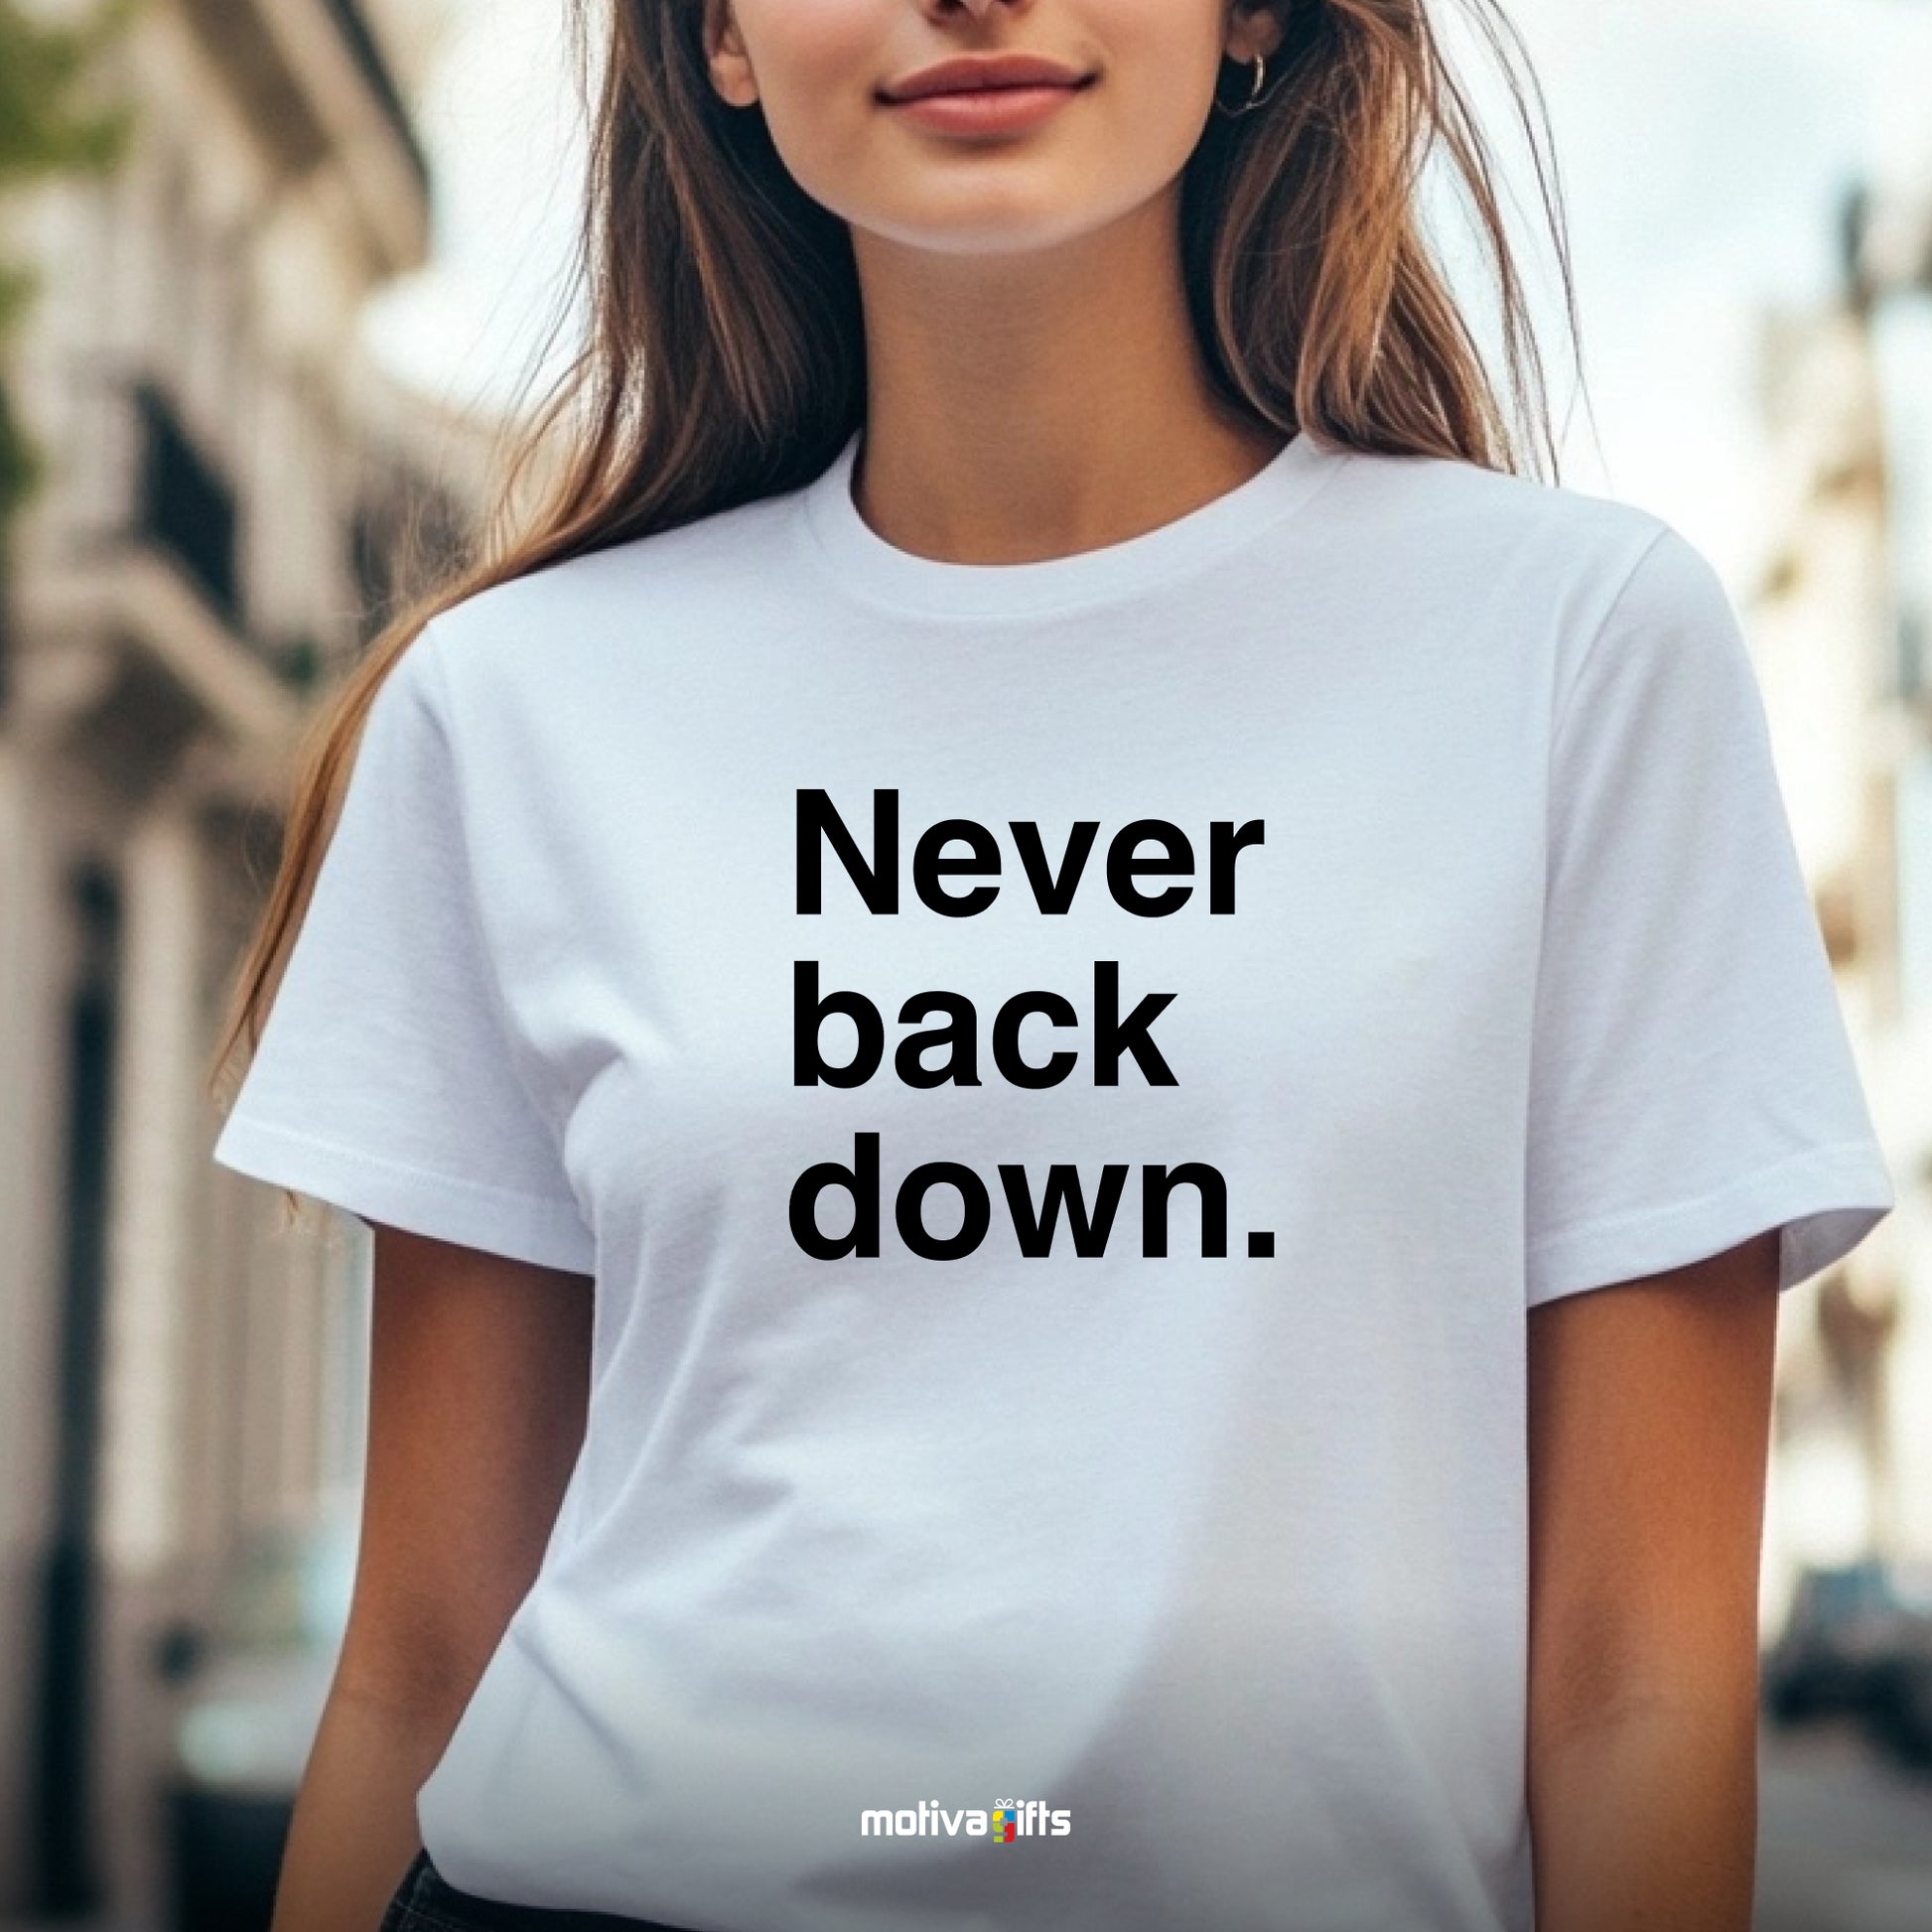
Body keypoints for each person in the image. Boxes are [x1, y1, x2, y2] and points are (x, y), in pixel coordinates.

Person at [208, 1, 1897, 1929]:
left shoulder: (1576, 650)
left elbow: (1634, 1686)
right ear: (722, 43)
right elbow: (418, 1654)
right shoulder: (512, 712)